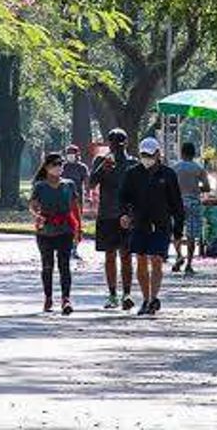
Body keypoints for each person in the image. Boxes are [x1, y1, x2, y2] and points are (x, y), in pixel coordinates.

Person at [119, 136, 183, 316]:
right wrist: (124, 214)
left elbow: (176, 203)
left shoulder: (168, 174)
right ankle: (146, 299)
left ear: (157, 153)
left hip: (161, 225)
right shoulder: (132, 174)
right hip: (139, 224)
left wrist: (178, 229)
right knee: (140, 259)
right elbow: (123, 196)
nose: (146, 157)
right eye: (143, 154)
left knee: (156, 259)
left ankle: (154, 297)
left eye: (149, 154)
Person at [88, 128, 136, 309]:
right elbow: (92, 183)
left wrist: (133, 215)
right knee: (109, 255)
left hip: (125, 216)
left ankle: (127, 294)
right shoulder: (101, 161)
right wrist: (102, 169)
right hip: (107, 214)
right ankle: (112, 294)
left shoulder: (132, 163)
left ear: (126, 144)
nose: (117, 147)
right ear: (109, 144)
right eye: (114, 144)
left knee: (126, 256)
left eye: (120, 144)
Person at [30, 151, 80, 315]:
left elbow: (75, 207)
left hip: (65, 229)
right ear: (47, 167)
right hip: (46, 230)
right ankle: (48, 297)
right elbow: (33, 205)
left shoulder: (69, 185)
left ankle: (66, 299)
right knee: (47, 265)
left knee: (64, 265)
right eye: (54, 165)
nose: (58, 168)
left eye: (60, 164)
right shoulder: (40, 186)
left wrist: (78, 228)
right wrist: (37, 215)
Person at [171, 142, 211, 276]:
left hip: (177, 203)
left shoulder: (175, 168)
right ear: (194, 154)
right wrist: (195, 187)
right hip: (193, 203)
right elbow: (207, 187)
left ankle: (178, 255)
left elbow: (169, 187)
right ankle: (188, 264)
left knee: (176, 232)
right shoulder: (198, 168)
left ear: (182, 153)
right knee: (191, 235)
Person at [61, 144, 90, 259]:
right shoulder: (63, 167)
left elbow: (87, 182)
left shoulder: (81, 168)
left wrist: (88, 194)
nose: (70, 155)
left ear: (77, 154)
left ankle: (75, 247)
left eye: (72, 153)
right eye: (68, 153)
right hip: (63, 199)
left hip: (77, 200)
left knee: (76, 224)